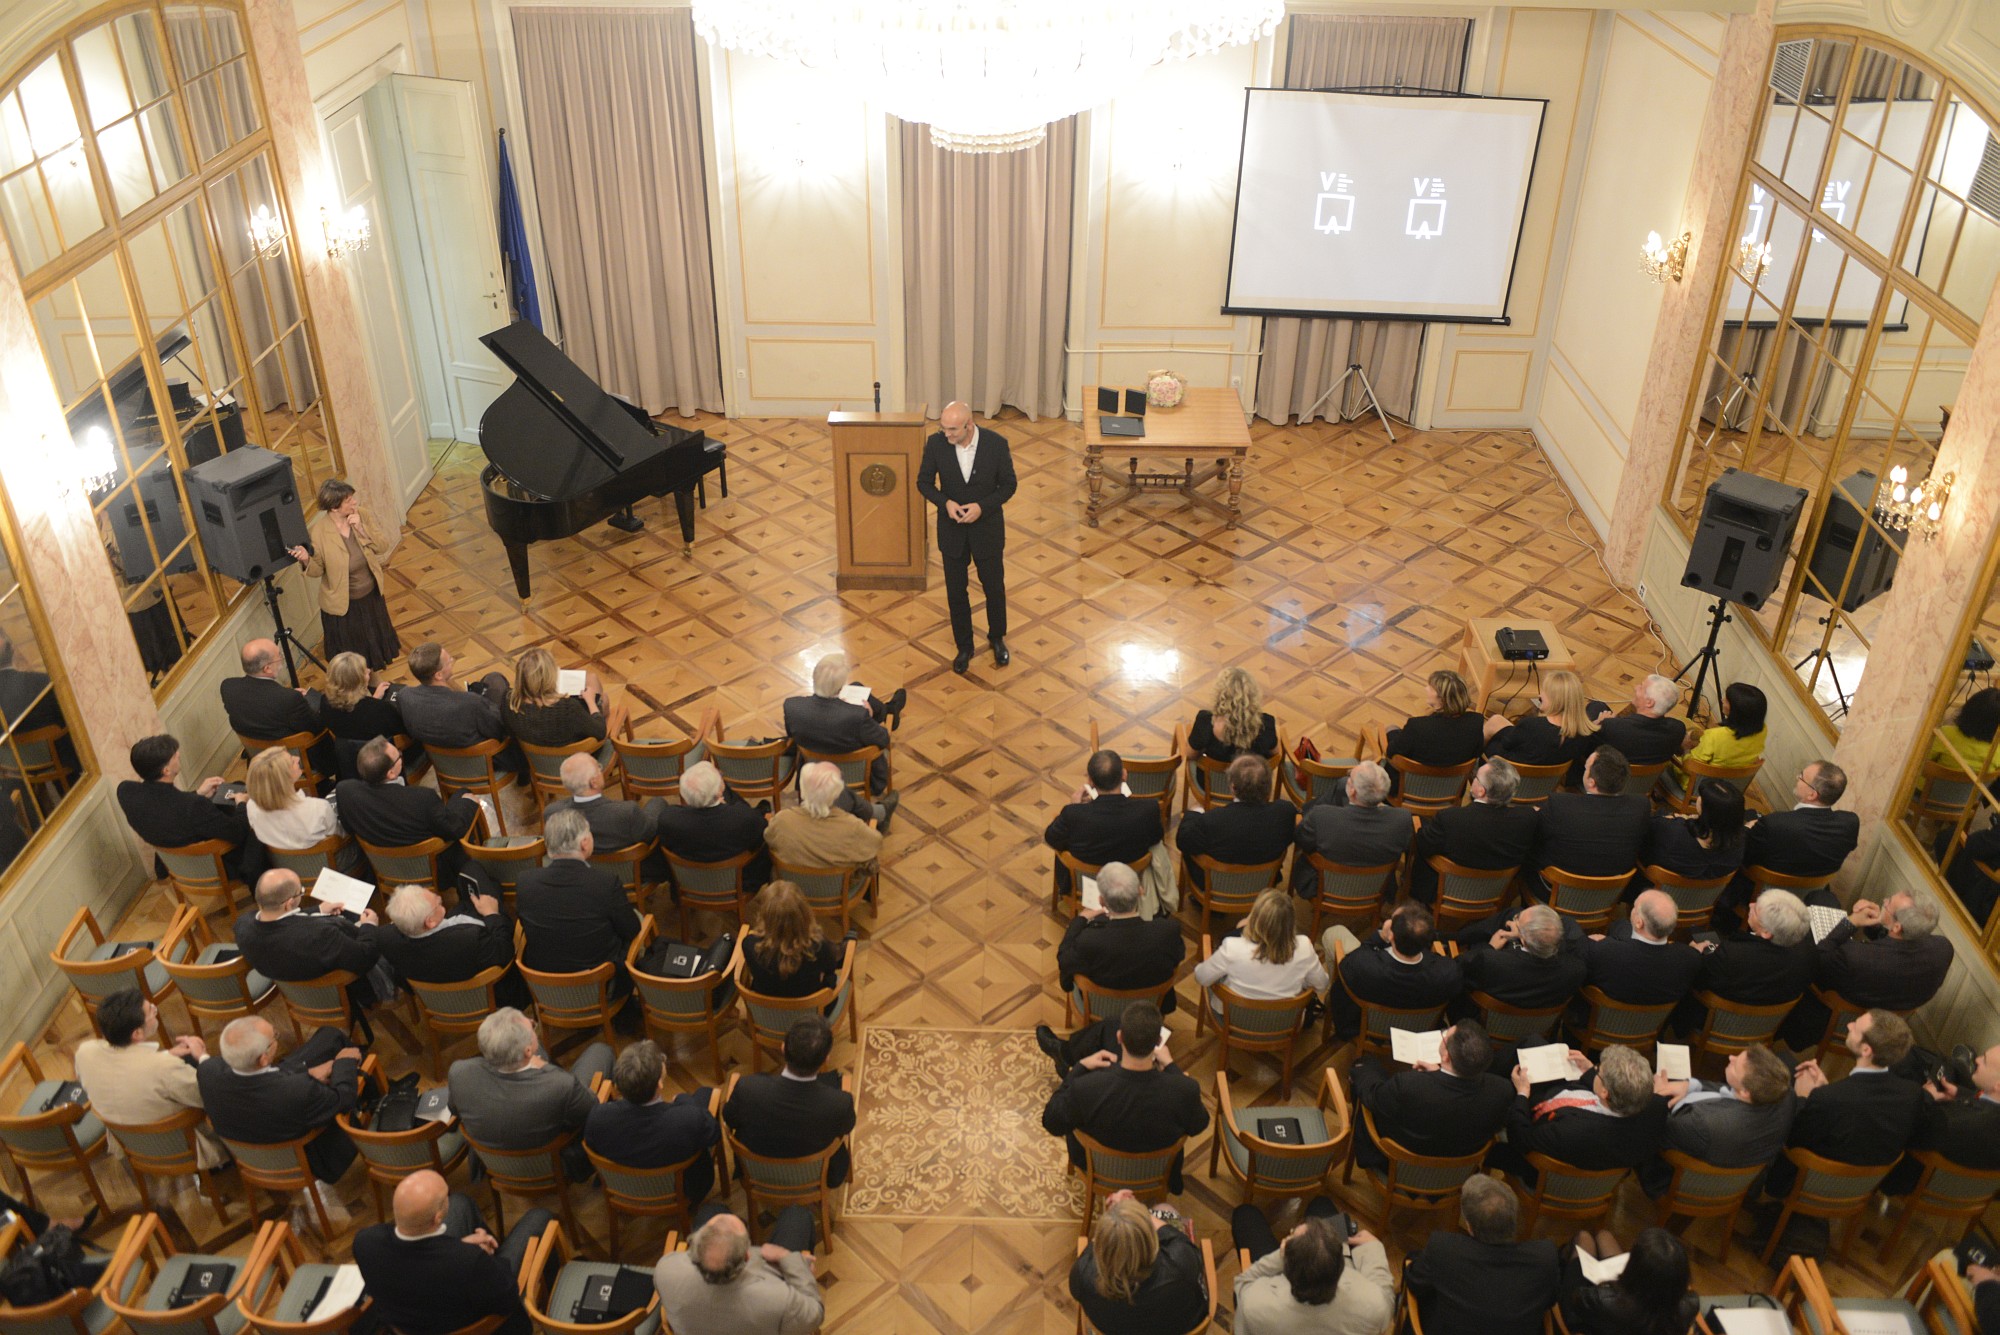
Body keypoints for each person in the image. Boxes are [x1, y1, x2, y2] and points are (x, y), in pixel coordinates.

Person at [351, 1169, 546, 1335]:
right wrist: (481, 1258)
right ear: (437, 1219)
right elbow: (508, 1298)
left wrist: (460, 1246)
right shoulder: (469, 1262)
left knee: (461, 1203)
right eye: (446, 1196)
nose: (448, 1198)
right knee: (540, 1217)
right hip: (485, 1324)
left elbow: (420, 1264)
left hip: (413, 1322)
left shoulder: (364, 1242)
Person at [1042, 1001, 1208, 1193]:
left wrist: (1079, 1068)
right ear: (1158, 1042)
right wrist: (1171, 1067)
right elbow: (1199, 1124)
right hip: (1159, 1171)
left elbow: (1051, 1122)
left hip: (1095, 1166)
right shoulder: (1185, 1090)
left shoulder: (1086, 1088)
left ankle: (1065, 1053)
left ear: (1119, 1037)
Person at [1037, 862, 1185, 1074]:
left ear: (1101, 901)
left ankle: (1067, 1053)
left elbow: (1064, 959)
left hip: (1099, 1007)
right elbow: (1178, 957)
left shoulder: (1089, 941)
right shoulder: (1167, 931)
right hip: (1152, 1004)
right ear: (1140, 891)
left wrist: (1080, 920)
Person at [1767, 1009, 1929, 1197]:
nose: (1849, 1025)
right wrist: (1824, 1091)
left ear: (1866, 1050)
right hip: (1858, 1193)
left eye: (1855, 1027)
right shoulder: (1913, 1094)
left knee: (1778, 1067)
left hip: (1804, 1185)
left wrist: (1803, 1098)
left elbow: (1793, 1140)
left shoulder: (1831, 1099)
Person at [196, 1015, 361, 1191]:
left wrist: (307, 1073)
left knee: (330, 1036)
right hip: (309, 1157)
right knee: (348, 1062)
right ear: (263, 1059)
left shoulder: (207, 1073)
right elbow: (344, 1099)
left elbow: (275, 1081)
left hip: (252, 1157)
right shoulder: (298, 1091)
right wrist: (344, 1062)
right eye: (275, 1037)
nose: (277, 1038)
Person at [448, 1008, 612, 1183]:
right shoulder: (561, 1085)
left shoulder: (460, 1072)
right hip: (554, 1164)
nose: (534, 1025)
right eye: (533, 1027)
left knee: (541, 1051)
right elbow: (593, 1111)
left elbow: (454, 1109)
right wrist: (545, 1068)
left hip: (494, 1164)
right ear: (528, 1052)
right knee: (601, 1051)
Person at [72, 989, 225, 1167]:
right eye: (151, 1011)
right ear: (137, 1033)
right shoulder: (164, 1068)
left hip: (131, 1145)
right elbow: (212, 1096)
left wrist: (167, 1055)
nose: (154, 1009)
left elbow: (123, 1072)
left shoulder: (85, 1051)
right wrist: (203, 1058)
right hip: (181, 1146)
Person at [916, 400, 1016, 674]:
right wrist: (945, 503)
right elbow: (924, 482)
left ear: (969, 425)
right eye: (943, 428)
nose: (946, 434)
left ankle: (997, 638)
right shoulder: (937, 444)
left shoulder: (996, 445)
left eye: (952, 430)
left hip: (987, 530)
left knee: (994, 588)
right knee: (955, 591)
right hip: (952, 532)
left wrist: (982, 507)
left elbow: (1009, 485)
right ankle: (964, 646)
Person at [1781, 892, 1955, 1048]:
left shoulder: (1855, 957)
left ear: (1897, 927)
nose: (1883, 902)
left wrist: (1850, 923)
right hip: (1883, 1020)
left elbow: (1818, 958)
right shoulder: (1944, 949)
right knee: (1824, 898)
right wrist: (1876, 924)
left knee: (1814, 908)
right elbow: (1896, 949)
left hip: (1829, 1014)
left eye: (1888, 904)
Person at [1403, 1173, 1561, 1335]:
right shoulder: (1545, 1257)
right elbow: (1550, 1300)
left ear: (1470, 1226)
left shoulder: (1443, 1249)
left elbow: (1415, 1281)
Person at [1350, 1021, 1512, 1172]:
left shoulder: (1408, 1085)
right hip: (1458, 1173)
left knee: (1366, 1066)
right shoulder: (1503, 1090)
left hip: (1399, 1168)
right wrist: (1438, 1075)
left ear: (1446, 1056)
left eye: (1445, 1036)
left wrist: (1360, 1067)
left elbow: (1373, 1097)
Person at [514, 808, 642, 997]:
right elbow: (632, 930)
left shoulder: (525, 882)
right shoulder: (606, 884)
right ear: (584, 844)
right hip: (600, 988)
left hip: (545, 988)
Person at [1489, 1045, 1668, 1180]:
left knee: (1501, 1091)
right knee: (1533, 1042)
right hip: (1571, 1112)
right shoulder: (1656, 1106)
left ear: (1604, 1092)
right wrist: (1589, 1070)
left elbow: (1520, 1139)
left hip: (1546, 1172)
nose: (1595, 1069)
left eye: (1598, 1070)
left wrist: (1522, 1093)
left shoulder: (1570, 1131)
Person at [1639, 1044, 1797, 1195]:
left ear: (1745, 1092)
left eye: (1735, 1065)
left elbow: (1654, 1133)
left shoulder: (1701, 1124)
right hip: (1739, 1176)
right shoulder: (1785, 1095)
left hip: (1683, 1181)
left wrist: (1657, 1097)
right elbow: (1728, 1091)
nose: (1731, 1057)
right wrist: (1688, 1085)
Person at [334, 736, 489, 888]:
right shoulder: (422, 799)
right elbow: (454, 830)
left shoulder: (345, 791)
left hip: (386, 872)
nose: (401, 757)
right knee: (463, 794)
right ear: (391, 773)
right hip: (433, 872)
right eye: (399, 756)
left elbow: (349, 827)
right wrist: (468, 802)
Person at [722, 1016, 855, 1186]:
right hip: (817, 1176)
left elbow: (729, 1118)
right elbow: (846, 1127)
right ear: (826, 1059)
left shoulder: (746, 1089)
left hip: (756, 1173)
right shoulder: (839, 1103)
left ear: (783, 1048)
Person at [584, 1040, 719, 1206]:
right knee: (705, 1094)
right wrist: (684, 1100)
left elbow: (594, 1148)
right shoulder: (687, 1121)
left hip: (621, 1190)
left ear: (618, 1084)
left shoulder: (598, 1118)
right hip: (683, 1192)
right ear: (659, 1084)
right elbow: (714, 1133)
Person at [1230, 1197, 1392, 1335]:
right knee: (1322, 1203)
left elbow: (1243, 1283)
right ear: (1341, 1266)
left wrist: (1280, 1256)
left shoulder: (1255, 1305)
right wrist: (1373, 1247)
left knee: (1245, 1213)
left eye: (1292, 1235)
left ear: (1287, 1269)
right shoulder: (1374, 1306)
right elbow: (1386, 1295)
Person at [654, 1203, 822, 1335]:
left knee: (711, 1209)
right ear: (747, 1256)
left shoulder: (666, 1270)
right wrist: (790, 1259)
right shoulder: (778, 1299)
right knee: (797, 1215)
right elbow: (815, 1313)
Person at [115, 733, 264, 882]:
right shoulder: (194, 806)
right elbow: (238, 832)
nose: (178, 754)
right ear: (166, 771)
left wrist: (198, 793)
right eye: (174, 756)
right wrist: (241, 803)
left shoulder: (126, 792)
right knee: (258, 821)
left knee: (235, 787)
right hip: (213, 866)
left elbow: (167, 805)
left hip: (176, 867)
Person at [287, 478, 399, 670]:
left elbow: (382, 547)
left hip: (371, 597)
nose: (354, 502)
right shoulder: (318, 532)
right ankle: (360, 684)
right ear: (334, 507)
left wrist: (362, 529)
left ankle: (373, 680)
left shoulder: (361, 515)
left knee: (374, 648)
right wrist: (306, 559)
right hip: (344, 606)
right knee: (355, 655)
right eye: (348, 500)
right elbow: (317, 570)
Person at [235, 868, 386, 1009]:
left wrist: (318, 910)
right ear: (289, 904)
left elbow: (281, 923)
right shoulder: (321, 935)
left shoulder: (242, 927)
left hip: (300, 996)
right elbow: (364, 958)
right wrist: (369, 925)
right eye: (300, 892)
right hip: (343, 993)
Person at [1069, 1194, 1209, 1335]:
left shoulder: (1083, 1275)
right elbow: (1176, 1236)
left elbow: (1095, 1245)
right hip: (1178, 1326)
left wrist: (1114, 1222)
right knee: (1165, 1208)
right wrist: (1136, 1212)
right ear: (1151, 1239)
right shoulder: (1182, 1261)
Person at [376, 883, 528, 1009]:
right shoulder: (470, 938)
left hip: (437, 1004)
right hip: (485, 1000)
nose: (439, 897)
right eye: (437, 903)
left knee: (465, 902)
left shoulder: (385, 938)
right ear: (430, 922)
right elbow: (504, 952)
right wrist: (492, 914)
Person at [1324, 902, 1463, 1039]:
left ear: (1391, 935)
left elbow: (1346, 965)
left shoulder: (1363, 966)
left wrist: (1379, 938)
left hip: (1365, 1028)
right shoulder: (1449, 973)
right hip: (1419, 1031)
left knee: (1334, 932)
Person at [1409, 758, 1537, 904]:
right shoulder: (1527, 819)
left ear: (1481, 791)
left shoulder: (1450, 819)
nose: (1473, 778)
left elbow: (1424, 846)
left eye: (1475, 777)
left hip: (1445, 892)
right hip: (1494, 895)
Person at [783, 652, 900, 809]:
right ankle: (889, 711)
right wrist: (870, 716)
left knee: (856, 686)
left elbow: (792, 735)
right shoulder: (857, 716)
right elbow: (883, 739)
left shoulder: (792, 707)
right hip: (856, 776)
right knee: (859, 691)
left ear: (814, 678)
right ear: (840, 689)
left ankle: (889, 709)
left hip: (813, 773)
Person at [1044, 751, 1166, 896]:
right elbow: (1156, 837)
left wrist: (1075, 807)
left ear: (1090, 781)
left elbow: (1051, 838)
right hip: (1129, 886)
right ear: (1124, 775)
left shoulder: (1073, 815)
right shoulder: (1149, 809)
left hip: (1084, 887)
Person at [1884, 1043, 2000, 1194]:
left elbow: (1903, 1130)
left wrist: (1925, 1096)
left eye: (1984, 1061)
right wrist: (1961, 1094)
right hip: (1970, 1195)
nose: (1977, 1060)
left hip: (1909, 1181)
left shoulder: (1947, 1121)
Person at [397, 641, 521, 776]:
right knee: (496, 681)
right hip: (483, 763)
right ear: (438, 675)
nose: (453, 660)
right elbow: (499, 730)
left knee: (491, 681)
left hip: (443, 763)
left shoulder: (404, 696)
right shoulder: (471, 703)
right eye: (449, 661)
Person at [1291, 760, 1412, 898]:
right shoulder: (1402, 820)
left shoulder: (1321, 817)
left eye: (1349, 777)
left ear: (1353, 791)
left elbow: (1301, 839)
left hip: (1322, 887)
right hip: (1378, 889)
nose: (1346, 779)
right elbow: (1406, 846)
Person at [1194, 889, 1328, 1013]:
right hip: (1284, 1024)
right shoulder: (1304, 947)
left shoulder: (1232, 947)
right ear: (1291, 922)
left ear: (1256, 919)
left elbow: (1201, 977)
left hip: (1234, 1020)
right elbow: (1321, 985)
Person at [1178, 757, 1296, 897]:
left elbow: (1183, 840)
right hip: (1264, 886)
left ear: (1233, 788)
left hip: (1216, 889)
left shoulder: (1211, 821)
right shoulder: (1285, 814)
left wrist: (1193, 813)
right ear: (1269, 788)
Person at [1529, 747, 1650, 880]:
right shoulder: (1641, 806)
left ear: (1592, 783)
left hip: (1555, 886)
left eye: (1586, 769)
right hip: (1613, 889)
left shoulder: (1559, 805)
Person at [220, 640, 331, 779]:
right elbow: (317, 727)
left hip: (259, 760)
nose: (281, 658)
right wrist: (308, 700)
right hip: (297, 761)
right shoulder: (289, 700)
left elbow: (262, 703)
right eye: (279, 656)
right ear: (267, 669)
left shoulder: (228, 687)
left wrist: (288, 695)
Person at [543, 752, 666, 878]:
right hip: (632, 874)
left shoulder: (552, 814)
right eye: (598, 768)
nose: (601, 770)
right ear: (594, 782)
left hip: (584, 876)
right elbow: (651, 833)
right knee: (658, 803)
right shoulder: (627, 812)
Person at [1739, 760, 1861, 886]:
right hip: (1811, 892)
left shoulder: (1774, 824)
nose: (1797, 778)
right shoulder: (1850, 824)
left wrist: (1747, 828)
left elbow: (1743, 854)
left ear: (1812, 795)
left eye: (1801, 777)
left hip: (1761, 888)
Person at [656, 760, 771, 894]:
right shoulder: (744, 818)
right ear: (719, 792)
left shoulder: (668, 819)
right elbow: (761, 838)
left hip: (687, 884)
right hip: (739, 884)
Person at [243, 746, 363, 873]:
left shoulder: (251, 807)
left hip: (287, 868)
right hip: (332, 866)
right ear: (284, 779)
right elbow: (341, 836)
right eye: (292, 761)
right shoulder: (317, 808)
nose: (297, 758)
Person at [1558, 1227, 1698, 1335]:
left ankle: (1561, 1259)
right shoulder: (1690, 1305)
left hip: (1589, 1319)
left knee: (1584, 1237)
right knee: (1604, 1235)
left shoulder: (1600, 1300)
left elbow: (1575, 1301)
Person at [1579, 890, 1702, 1009]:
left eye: (1635, 907)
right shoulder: (1690, 958)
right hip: (1654, 1022)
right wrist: (1692, 952)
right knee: (1621, 925)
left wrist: (1603, 942)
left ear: (1639, 923)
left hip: (1598, 1017)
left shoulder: (1602, 951)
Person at [1455, 903, 1586, 1013]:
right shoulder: (1577, 970)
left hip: (1482, 1018)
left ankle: (1453, 937)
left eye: (1517, 921)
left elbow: (1459, 966)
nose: (1514, 920)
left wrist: (1490, 947)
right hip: (1538, 1026)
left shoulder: (1490, 960)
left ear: (1523, 940)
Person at [502, 646, 624, 764]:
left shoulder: (509, 702)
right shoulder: (568, 709)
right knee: (604, 699)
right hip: (576, 764)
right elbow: (600, 731)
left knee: (592, 679)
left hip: (537, 764)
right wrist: (591, 701)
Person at [765, 762, 883, 877]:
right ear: (837, 795)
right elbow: (875, 842)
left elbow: (769, 838)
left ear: (802, 791)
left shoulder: (782, 820)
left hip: (791, 884)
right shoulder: (852, 827)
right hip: (838, 888)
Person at [739, 881, 846, 1001]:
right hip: (813, 1010)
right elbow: (830, 968)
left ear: (765, 915)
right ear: (804, 913)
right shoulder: (818, 947)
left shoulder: (749, 945)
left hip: (764, 1010)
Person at [1483, 669, 1599, 771]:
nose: (1539, 695)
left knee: (1492, 729)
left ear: (1555, 699)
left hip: (1511, 772)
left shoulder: (1531, 726)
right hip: (1545, 780)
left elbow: (1507, 744)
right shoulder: (1584, 733)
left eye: (1544, 692)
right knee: (1497, 720)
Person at [1643, 777, 1746, 882]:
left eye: (1702, 798)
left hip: (1650, 881)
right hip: (1693, 892)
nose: (1698, 798)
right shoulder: (1738, 847)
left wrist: (1673, 818)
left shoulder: (1674, 833)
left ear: (1707, 812)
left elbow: (1645, 831)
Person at [1383, 669, 1485, 770]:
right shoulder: (1476, 721)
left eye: (1431, 688)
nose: (1426, 688)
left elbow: (1391, 752)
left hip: (1411, 779)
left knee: (1391, 729)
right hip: (1457, 780)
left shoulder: (1417, 726)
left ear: (1442, 698)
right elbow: (1476, 752)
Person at [1672, 680, 1767, 786]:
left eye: (1727, 700)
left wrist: (1686, 749)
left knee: (1676, 727)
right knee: (1686, 723)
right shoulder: (1762, 730)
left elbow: (1690, 767)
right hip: (1727, 785)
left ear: (1736, 710)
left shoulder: (1715, 736)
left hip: (1695, 784)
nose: (1722, 700)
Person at [1184, 667, 1279, 768]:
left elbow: (1190, 755)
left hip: (1212, 778)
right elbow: (1275, 754)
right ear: (1253, 696)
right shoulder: (1266, 724)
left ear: (1220, 695)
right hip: (1252, 778)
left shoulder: (1205, 722)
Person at [1587, 674, 1688, 768]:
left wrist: (1598, 722)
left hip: (1609, 773)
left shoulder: (1611, 727)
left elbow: (1583, 742)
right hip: (1646, 778)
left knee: (1596, 706)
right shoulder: (1678, 729)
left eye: (1641, 687)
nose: (1636, 687)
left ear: (1649, 702)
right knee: (1598, 706)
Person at [319, 651, 408, 750]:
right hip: (383, 753)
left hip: (348, 753)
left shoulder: (324, 702)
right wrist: (374, 703)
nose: (369, 670)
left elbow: (357, 719)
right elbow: (403, 731)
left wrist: (373, 699)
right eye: (364, 671)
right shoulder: (380, 709)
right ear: (357, 681)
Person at [1930, 687, 2000, 771]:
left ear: (1968, 708)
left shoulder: (1944, 735)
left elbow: (1922, 762)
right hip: (1978, 780)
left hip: (1935, 779)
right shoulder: (1996, 752)